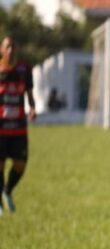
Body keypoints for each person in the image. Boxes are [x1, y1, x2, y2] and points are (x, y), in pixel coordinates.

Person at [0, 36, 36, 215]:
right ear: (1, 50)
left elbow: (29, 91)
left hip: (19, 127)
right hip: (0, 127)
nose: (11, 50)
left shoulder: (24, 69)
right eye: (7, 47)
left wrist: (33, 107)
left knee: (20, 165)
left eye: (13, 47)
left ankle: (7, 191)